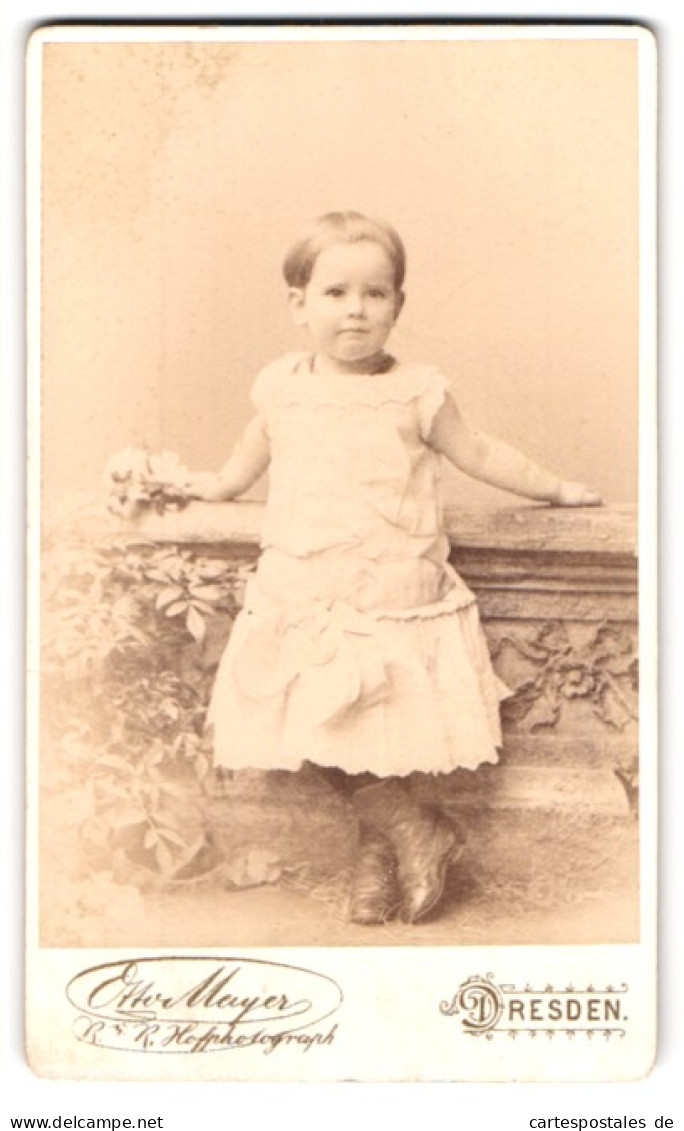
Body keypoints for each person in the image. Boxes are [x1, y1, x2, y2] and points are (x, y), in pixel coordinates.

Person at [184, 211, 602, 926]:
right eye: (336, 292)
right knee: (308, 724)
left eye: (376, 294)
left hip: (390, 585)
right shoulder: (282, 385)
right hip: (303, 591)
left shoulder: (416, 391)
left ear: (398, 305)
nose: (356, 309)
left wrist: (556, 488)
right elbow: (250, 454)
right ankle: (415, 830)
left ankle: (375, 861)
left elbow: (481, 453)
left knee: (377, 732)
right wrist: (214, 489)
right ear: (299, 303)